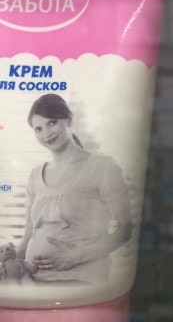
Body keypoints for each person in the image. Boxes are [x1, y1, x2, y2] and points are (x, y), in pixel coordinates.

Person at [14, 94, 132, 284]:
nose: (46, 133)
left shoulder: (102, 167)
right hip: (34, 279)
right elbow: (29, 235)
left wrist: (73, 258)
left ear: (68, 120)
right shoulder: (35, 174)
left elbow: (125, 230)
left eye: (52, 122)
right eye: (38, 129)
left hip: (81, 279)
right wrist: (10, 257)